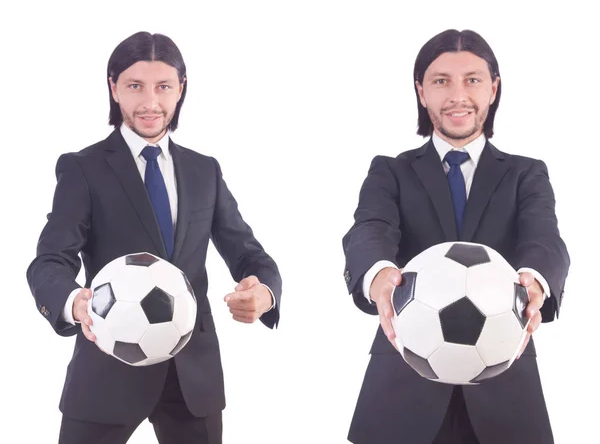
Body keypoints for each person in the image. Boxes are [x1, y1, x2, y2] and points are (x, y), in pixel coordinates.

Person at [26, 31, 282, 444]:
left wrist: (265, 291)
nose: (150, 103)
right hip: (106, 370)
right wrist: (75, 304)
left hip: (192, 380)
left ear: (181, 89)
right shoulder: (83, 169)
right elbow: (50, 261)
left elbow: (250, 254)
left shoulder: (205, 171)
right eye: (134, 86)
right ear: (113, 88)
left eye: (163, 86)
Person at [341, 29, 569, 444]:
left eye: (473, 79)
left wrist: (535, 278)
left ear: (494, 89)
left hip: (506, 391)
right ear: (421, 91)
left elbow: (545, 237)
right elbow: (369, 229)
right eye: (441, 80)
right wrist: (377, 275)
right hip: (401, 390)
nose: (457, 95)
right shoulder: (390, 171)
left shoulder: (526, 173)